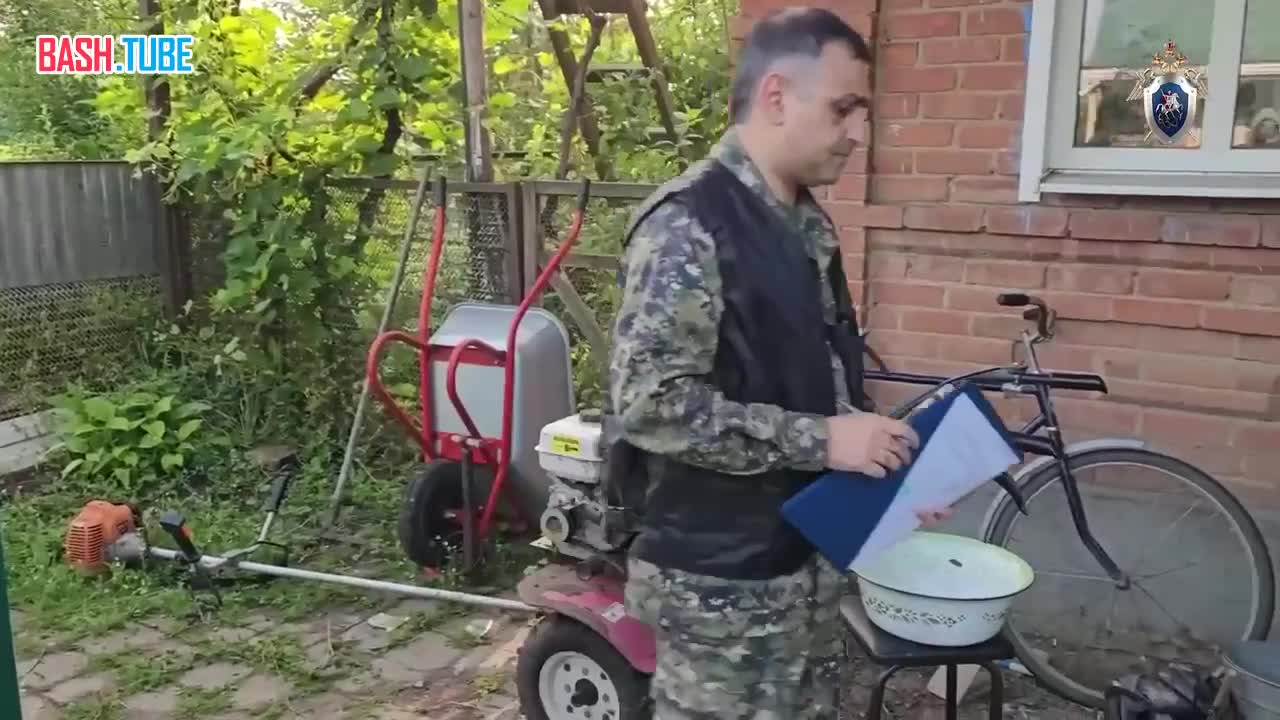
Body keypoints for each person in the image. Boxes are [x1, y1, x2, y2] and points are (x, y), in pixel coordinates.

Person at [608, 7, 950, 719]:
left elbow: (807, 383)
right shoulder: (688, 224)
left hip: (801, 573)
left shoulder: (805, 222)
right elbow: (650, 406)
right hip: (718, 590)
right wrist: (823, 441)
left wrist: (882, 472)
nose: (858, 133)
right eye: (843, 108)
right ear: (776, 97)